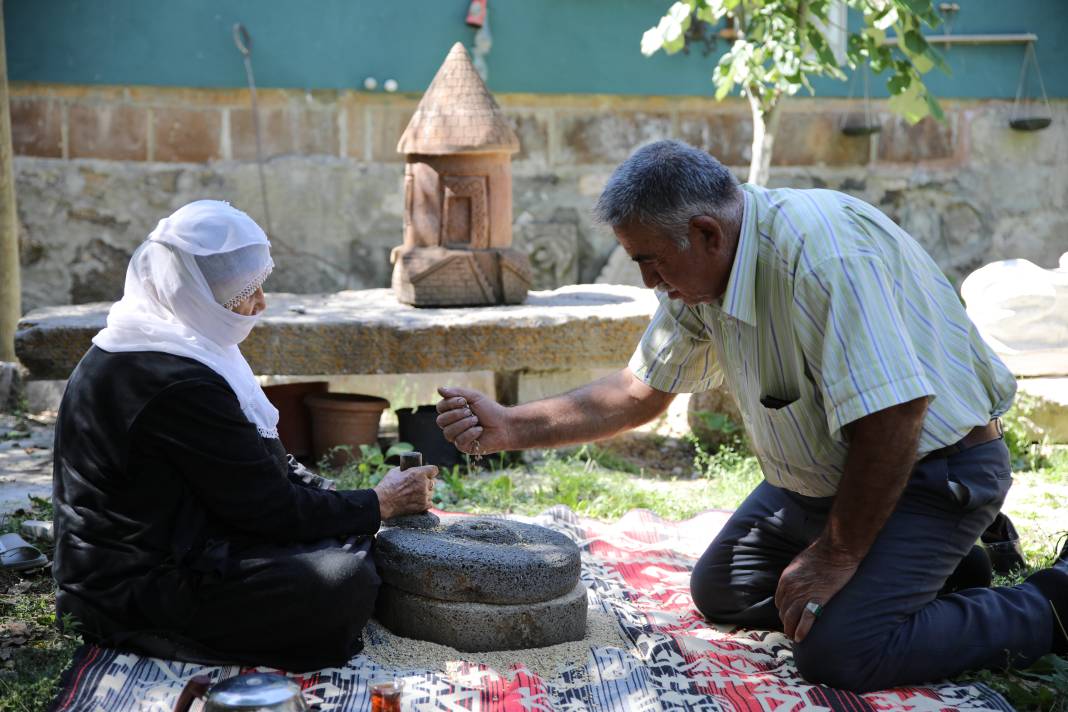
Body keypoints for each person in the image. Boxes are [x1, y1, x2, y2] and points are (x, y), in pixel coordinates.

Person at [435, 140, 1067, 691]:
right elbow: (639, 392)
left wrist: (837, 556)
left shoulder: (821, 259)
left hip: (929, 472)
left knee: (840, 650)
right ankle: (949, 572)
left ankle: (1049, 603)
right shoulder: (703, 270)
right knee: (722, 591)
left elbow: (896, 416)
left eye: (651, 262)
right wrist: (510, 424)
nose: (651, 281)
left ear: (708, 232)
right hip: (824, 482)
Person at [52, 200, 437, 672]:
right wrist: (377, 504)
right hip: (131, 588)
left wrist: (344, 502)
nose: (259, 304)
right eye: (244, 291)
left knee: (345, 544)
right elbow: (268, 508)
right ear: (194, 293)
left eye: (259, 286)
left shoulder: (169, 343)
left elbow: (263, 462)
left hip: (186, 536)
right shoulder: (174, 380)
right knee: (342, 579)